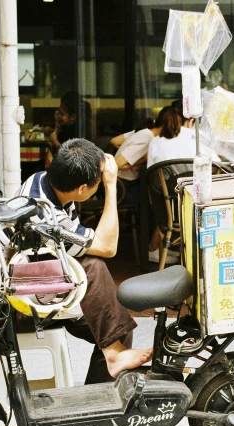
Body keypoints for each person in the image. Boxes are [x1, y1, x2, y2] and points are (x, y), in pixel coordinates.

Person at [19, 139, 152, 383]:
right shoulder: (50, 220)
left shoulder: (40, 180)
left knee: (116, 325)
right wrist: (111, 187)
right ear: (81, 189)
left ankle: (102, 387)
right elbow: (108, 247)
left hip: (30, 274)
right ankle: (105, 386)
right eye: (97, 182)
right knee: (95, 269)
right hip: (26, 297)